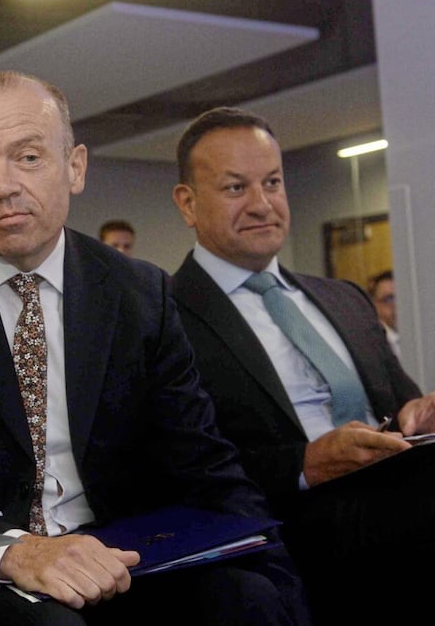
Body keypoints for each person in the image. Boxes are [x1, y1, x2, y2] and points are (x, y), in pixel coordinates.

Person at [0, 71, 312, 626]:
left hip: (119, 555)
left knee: (252, 599)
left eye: (28, 158)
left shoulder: (139, 293)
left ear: (75, 167)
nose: (3, 185)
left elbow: (202, 458)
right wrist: (8, 554)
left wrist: (276, 565)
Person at [170, 106, 435, 624]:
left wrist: (420, 415)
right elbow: (174, 467)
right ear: (187, 203)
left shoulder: (343, 298)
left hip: (401, 491)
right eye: (234, 188)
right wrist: (306, 463)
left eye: (272, 182)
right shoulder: (162, 316)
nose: (262, 204)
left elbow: (404, 405)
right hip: (293, 518)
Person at [367, 269, 402, 359]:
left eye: (401, 297)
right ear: (374, 304)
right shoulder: (372, 343)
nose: (397, 304)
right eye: (389, 299)